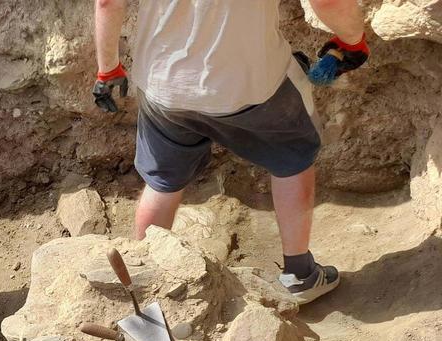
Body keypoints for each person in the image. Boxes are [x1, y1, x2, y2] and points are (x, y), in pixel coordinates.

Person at [93, 0, 369, 305]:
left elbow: (107, 3)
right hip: (253, 88)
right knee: (294, 156)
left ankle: (145, 283)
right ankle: (300, 276)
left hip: (165, 87)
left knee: (162, 180)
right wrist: (352, 41)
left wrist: (107, 70)